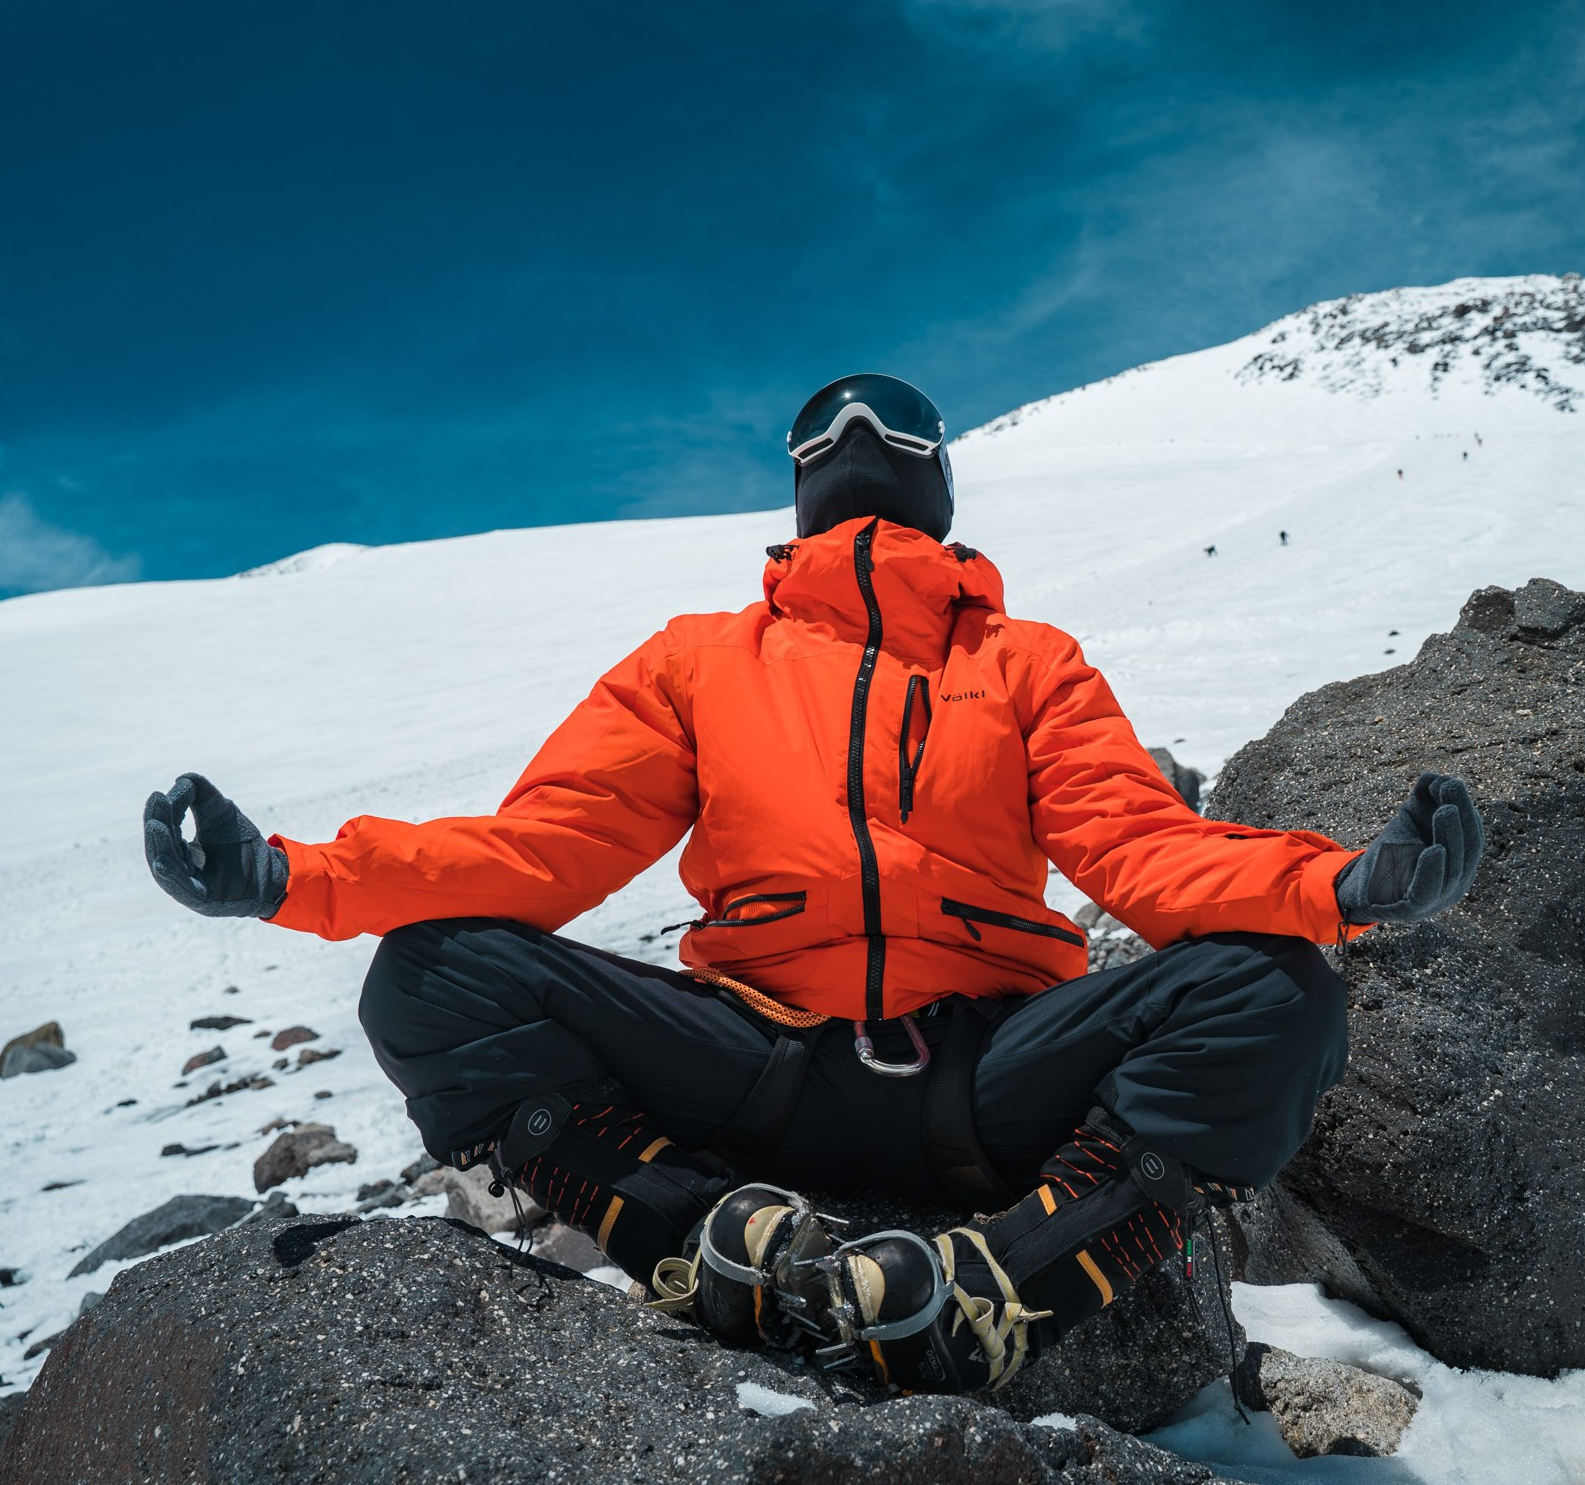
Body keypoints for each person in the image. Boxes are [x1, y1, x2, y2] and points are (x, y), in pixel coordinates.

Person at [143, 373, 1482, 1395]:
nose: (855, 436)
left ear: (943, 474)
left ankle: (997, 1286)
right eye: (826, 427)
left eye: (894, 425)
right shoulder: (697, 663)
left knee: (1276, 990)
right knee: (438, 976)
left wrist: (1340, 886)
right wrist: (293, 879)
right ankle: (715, 1239)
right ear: (794, 480)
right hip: (755, 1066)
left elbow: (1138, 850)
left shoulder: (1029, 663)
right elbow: (544, 849)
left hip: (989, 1071)